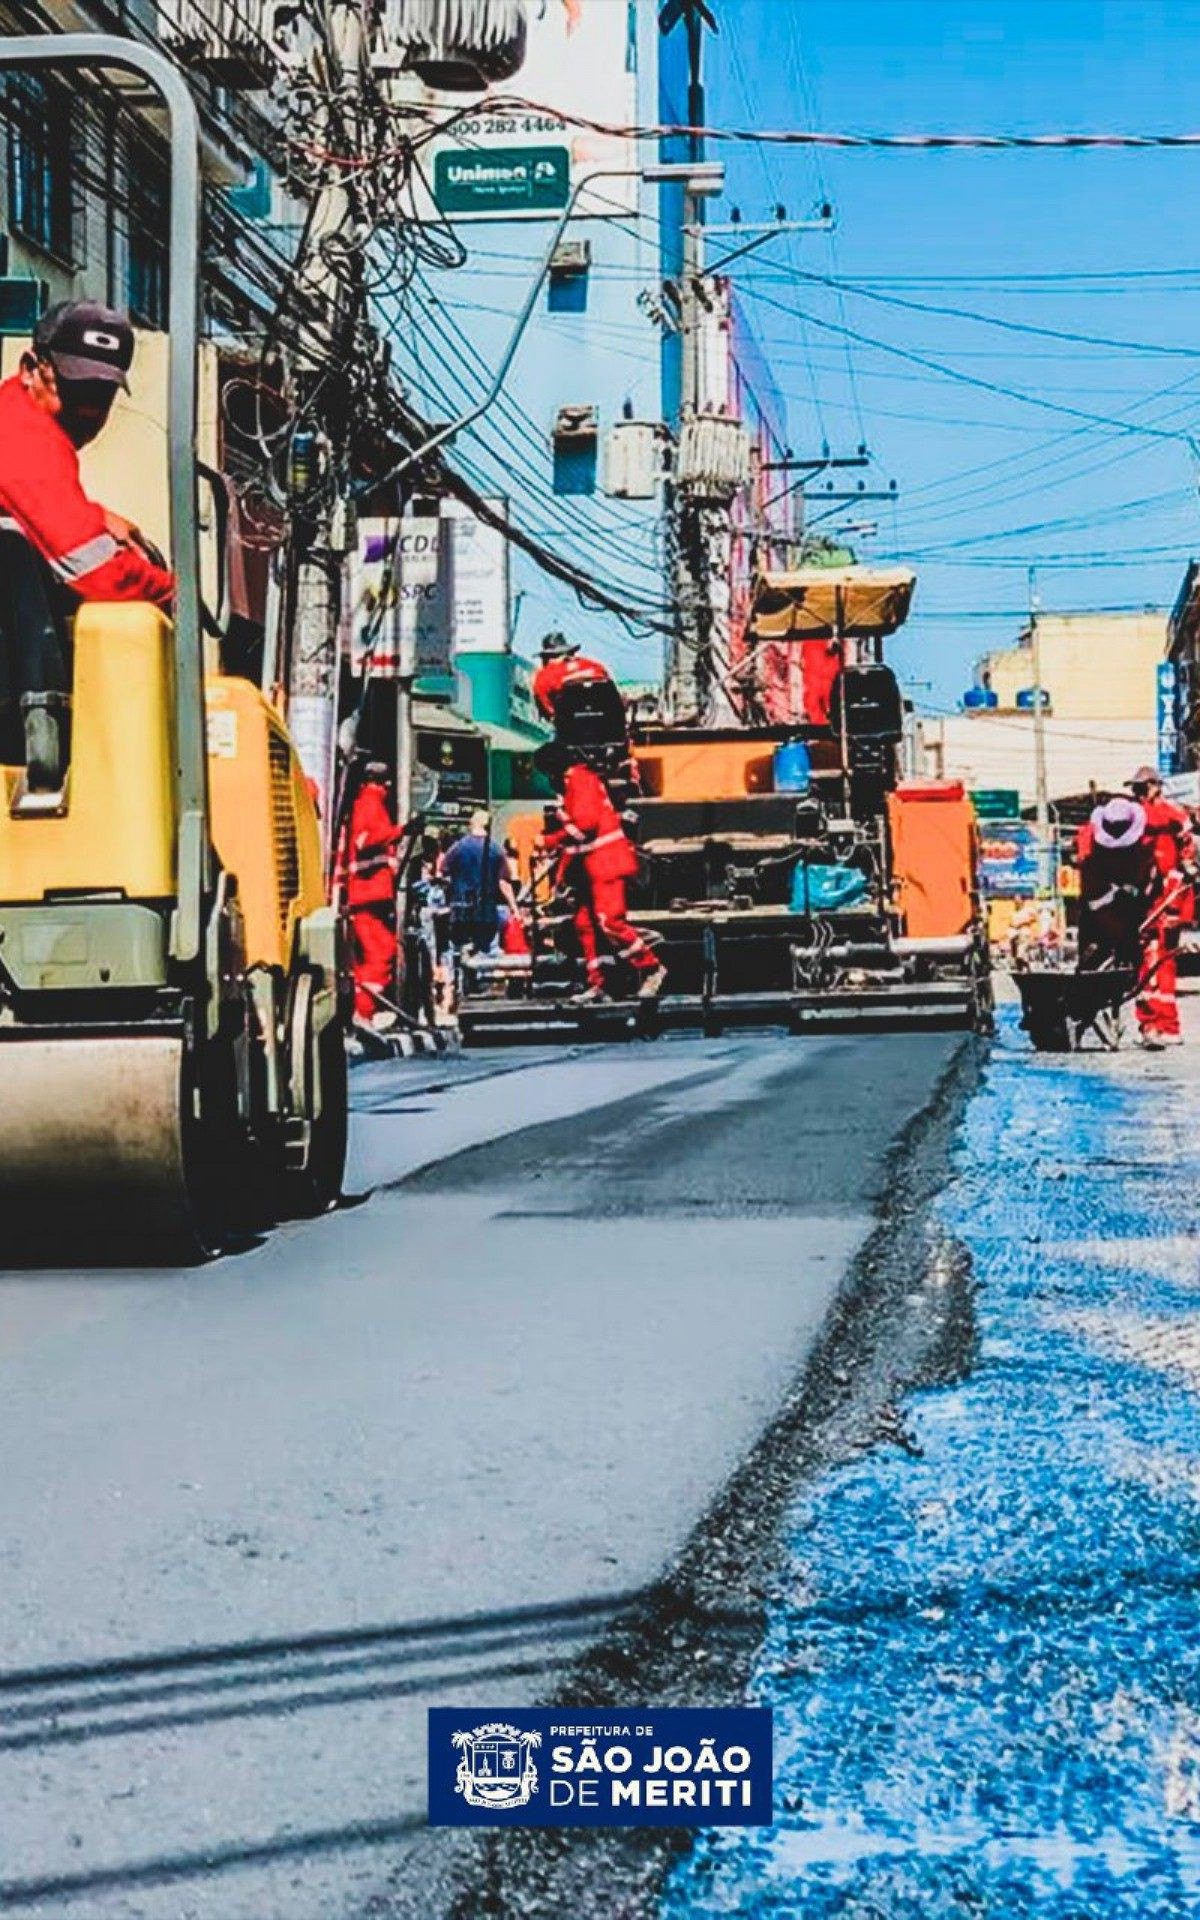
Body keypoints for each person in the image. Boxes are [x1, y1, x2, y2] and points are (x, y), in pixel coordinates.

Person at [0, 302, 175, 787]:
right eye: (77, 388)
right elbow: (98, 573)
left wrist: (95, 515)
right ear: (33, 369)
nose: (90, 410)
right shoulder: (23, 433)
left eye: (101, 393)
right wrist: (169, 592)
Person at [544, 753, 665, 1002]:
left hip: (605, 865)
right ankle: (598, 982)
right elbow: (575, 842)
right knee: (584, 925)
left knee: (610, 922)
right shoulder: (576, 785)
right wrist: (560, 879)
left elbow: (584, 827)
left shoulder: (580, 781)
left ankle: (651, 967)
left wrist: (548, 840)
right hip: (591, 868)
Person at [1127, 765, 1197, 1047]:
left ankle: (1163, 1024)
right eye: (1135, 789)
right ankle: (1152, 1022)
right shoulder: (1137, 818)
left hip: (1167, 900)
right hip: (1144, 900)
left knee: (1160, 964)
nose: (1138, 794)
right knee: (1147, 966)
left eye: (1142, 788)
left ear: (1155, 787)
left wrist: (1174, 905)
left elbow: (1185, 848)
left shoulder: (1166, 815)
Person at [345, 762, 406, 1023]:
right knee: (381, 953)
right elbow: (365, 840)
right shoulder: (370, 804)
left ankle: (365, 1009)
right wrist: (399, 832)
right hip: (368, 893)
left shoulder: (369, 803)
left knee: (375, 955)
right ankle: (364, 1011)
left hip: (370, 894)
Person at [1075, 795, 1151, 975]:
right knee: (1092, 960)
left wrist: (1133, 893)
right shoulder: (1092, 859)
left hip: (1129, 916)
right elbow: (1092, 897)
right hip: (1098, 917)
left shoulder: (1138, 855)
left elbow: (1140, 884)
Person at [440, 809, 519, 956]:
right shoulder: (496, 850)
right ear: (488, 826)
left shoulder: (457, 848)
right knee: (488, 952)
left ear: (471, 824)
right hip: (486, 912)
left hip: (460, 910)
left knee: (457, 951)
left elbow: (442, 872)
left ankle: (457, 977)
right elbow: (504, 882)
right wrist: (514, 908)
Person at [530, 632, 616, 725]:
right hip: (609, 726)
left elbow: (549, 713)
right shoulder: (597, 667)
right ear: (571, 653)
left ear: (549, 657)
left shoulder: (544, 675)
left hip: (572, 731)